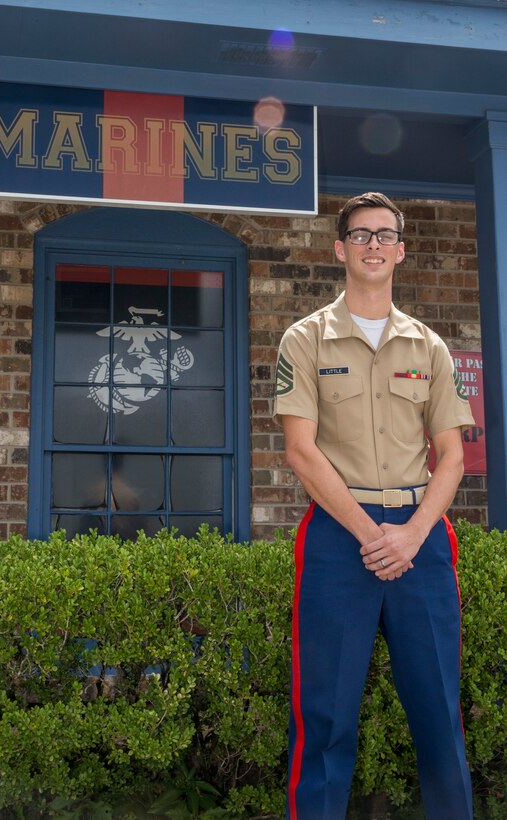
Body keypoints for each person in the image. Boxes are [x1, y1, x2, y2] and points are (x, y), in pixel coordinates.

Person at [274, 192, 475, 820]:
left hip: (422, 538)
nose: (373, 245)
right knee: (326, 718)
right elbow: (302, 453)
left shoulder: (431, 349)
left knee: (440, 714)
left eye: (385, 235)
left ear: (401, 251)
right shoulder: (304, 340)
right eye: (360, 235)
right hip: (340, 538)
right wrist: (372, 535)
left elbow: (453, 457)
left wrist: (410, 536)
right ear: (339, 248)